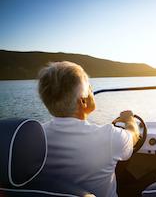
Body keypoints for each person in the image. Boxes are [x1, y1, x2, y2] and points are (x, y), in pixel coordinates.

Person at [38, 61, 139, 197]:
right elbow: (133, 136)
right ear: (83, 101)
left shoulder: (35, 137)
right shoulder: (108, 136)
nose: (92, 91)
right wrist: (129, 119)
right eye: (89, 88)